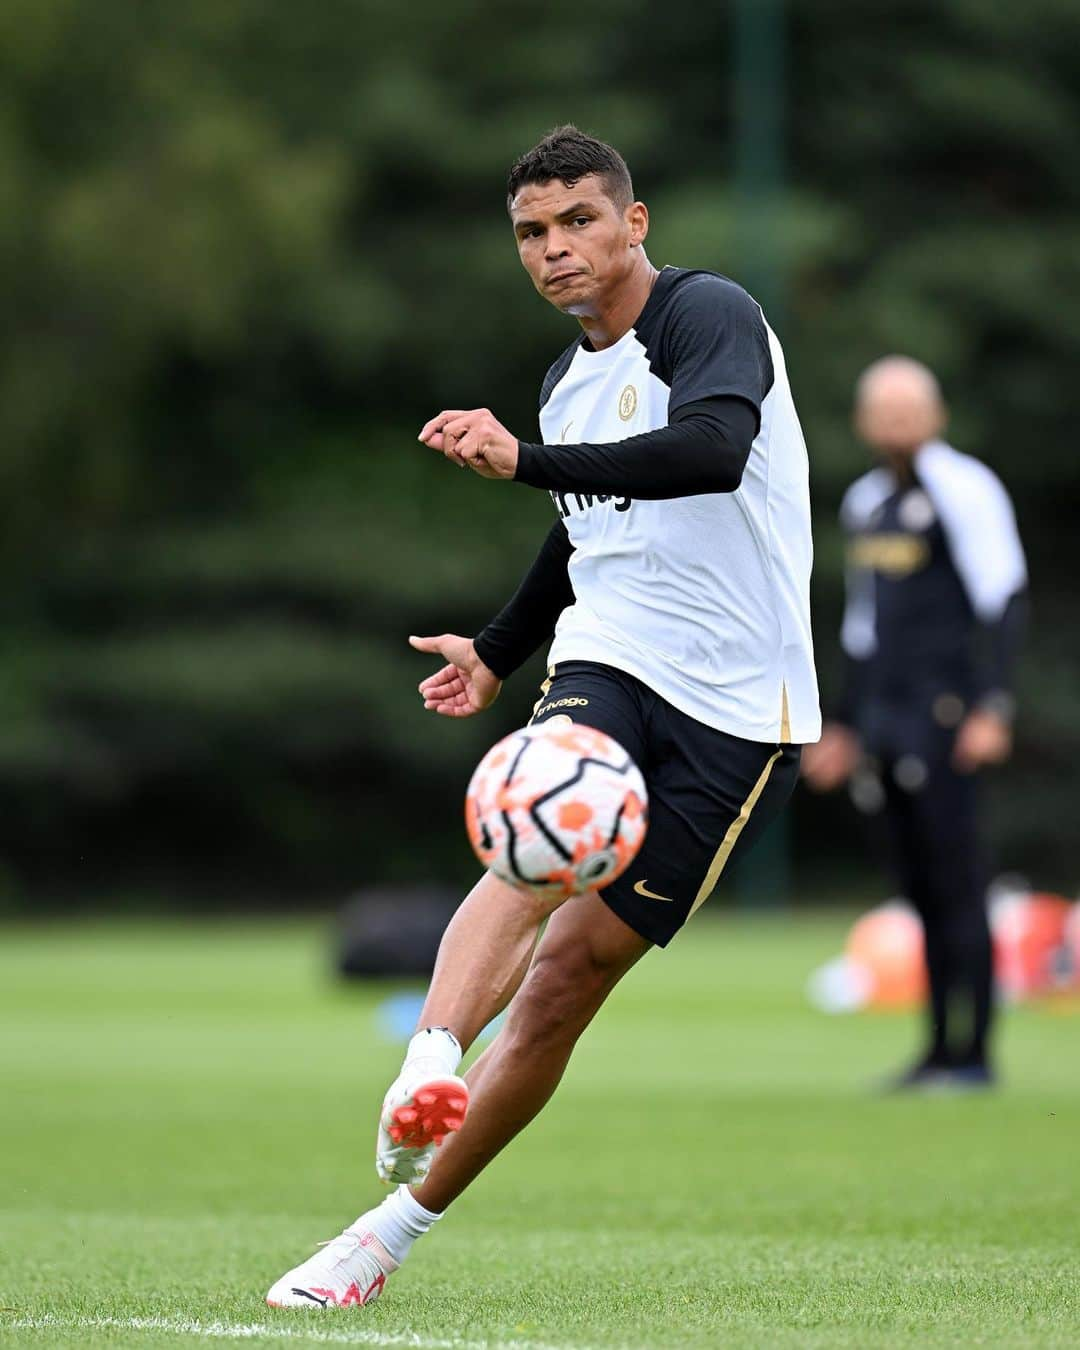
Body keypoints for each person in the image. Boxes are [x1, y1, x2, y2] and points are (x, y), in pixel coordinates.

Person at [267, 125, 820, 1310]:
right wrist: (501, 652)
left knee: (569, 981)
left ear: (636, 223)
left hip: (741, 707)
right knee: (534, 821)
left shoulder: (704, 314)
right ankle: (426, 1062)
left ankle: (388, 1234)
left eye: (579, 221)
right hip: (613, 654)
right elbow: (583, 530)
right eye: (533, 232)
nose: (558, 248)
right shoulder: (569, 384)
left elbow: (715, 450)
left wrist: (523, 458)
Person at [802, 356, 1027, 1089]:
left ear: (937, 415)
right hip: (885, 720)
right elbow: (862, 627)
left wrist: (992, 706)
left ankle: (977, 1053)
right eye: (882, 409)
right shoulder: (866, 502)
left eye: (909, 407)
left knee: (959, 882)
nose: (896, 422)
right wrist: (841, 724)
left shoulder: (966, 487)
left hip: (947, 716)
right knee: (917, 888)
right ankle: (936, 1049)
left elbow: (1004, 598)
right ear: (864, 421)